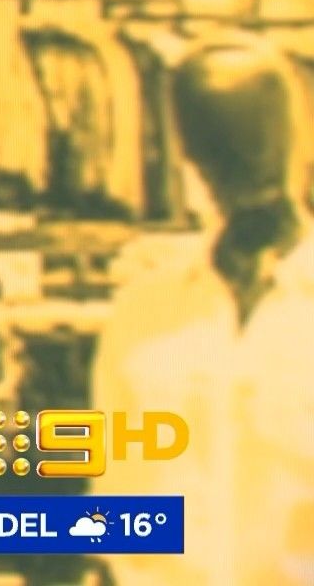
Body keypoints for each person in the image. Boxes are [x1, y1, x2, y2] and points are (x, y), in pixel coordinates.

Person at [91, 38, 314, 585]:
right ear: (188, 155)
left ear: (295, 139)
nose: (240, 159)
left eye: (254, 133)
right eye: (216, 138)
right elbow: (116, 492)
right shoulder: (144, 316)